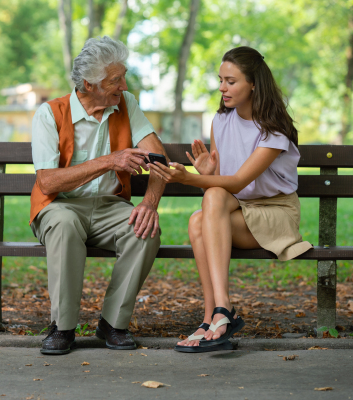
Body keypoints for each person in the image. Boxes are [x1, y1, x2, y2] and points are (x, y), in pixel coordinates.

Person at [149, 46, 313, 353]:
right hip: (238, 210)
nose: (222, 88)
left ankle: (221, 311)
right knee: (197, 220)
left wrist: (190, 178)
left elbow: (238, 182)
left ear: (253, 84)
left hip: (274, 212)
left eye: (231, 81)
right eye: (221, 80)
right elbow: (220, 190)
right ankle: (213, 316)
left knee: (204, 211)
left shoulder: (273, 129)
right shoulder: (221, 121)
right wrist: (209, 173)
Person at [30, 36, 168, 355]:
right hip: (60, 207)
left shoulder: (126, 104)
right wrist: (110, 159)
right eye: (114, 80)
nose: (123, 85)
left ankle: (112, 324)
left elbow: (158, 158)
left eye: (123, 76)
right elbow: (48, 183)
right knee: (64, 225)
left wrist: (149, 203)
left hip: (110, 206)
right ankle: (62, 327)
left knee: (144, 230)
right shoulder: (49, 114)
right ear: (89, 85)